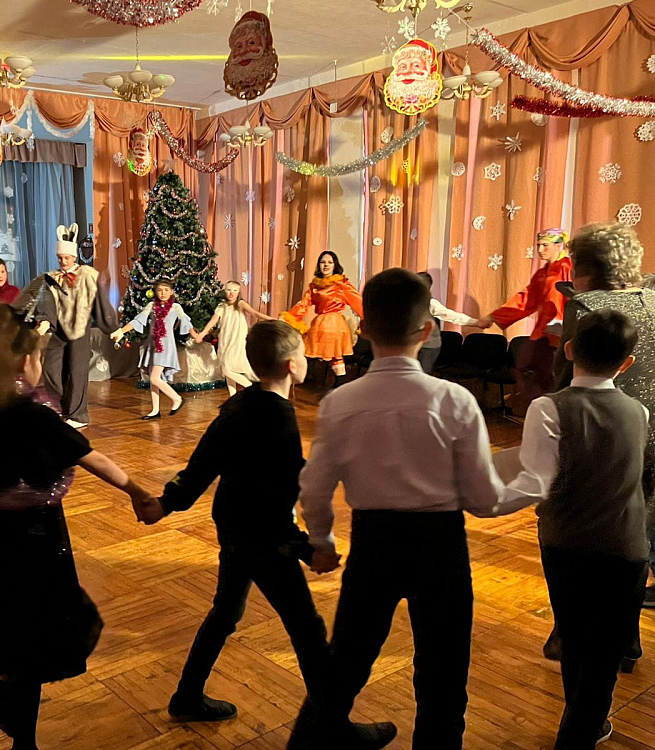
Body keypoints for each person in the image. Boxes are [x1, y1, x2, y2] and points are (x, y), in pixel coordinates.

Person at [0, 303, 158, 750]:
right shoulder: (30, 414)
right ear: (19, 359)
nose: (39, 364)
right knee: (57, 627)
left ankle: (18, 728)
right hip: (37, 538)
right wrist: (138, 493)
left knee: (16, 631)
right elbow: (90, 457)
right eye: (36, 354)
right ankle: (10, 715)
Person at [291, 268, 505, 750]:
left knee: (345, 663)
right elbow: (484, 499)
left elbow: (314, 488)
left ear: (364, 328)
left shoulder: (340, 402)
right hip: (441, 547)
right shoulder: (455, 400)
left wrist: (322, 541)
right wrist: (532, 484)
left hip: (375, 544)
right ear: (427, 329)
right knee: (444, 674)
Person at [152, 320, 395, 744]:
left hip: (233, 525)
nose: (306, 359)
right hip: (262, 536)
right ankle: (333, 729)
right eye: (302, 353)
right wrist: (307, 548)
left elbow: (202, 464)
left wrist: (166, 503)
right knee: (307, 628)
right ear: (290, 365)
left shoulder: (240, 403)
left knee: (226, 612)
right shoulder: (278, 416)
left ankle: (187, 695)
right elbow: (280, 494)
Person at [496, 309, 649, 748]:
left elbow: (536, 482)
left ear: (568, 350)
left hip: (565, 544)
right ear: (627, 363)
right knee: (606, 650)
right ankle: (586, 726)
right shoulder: (638, 411)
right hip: (626, 547)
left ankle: (578, 727)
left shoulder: (548, 407)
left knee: (574, 636)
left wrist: (483, 501)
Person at [549, 222, 655, 652]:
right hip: (648, 436)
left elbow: (566, 379)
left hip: (599, 437)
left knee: (580, 534)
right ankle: (626, 639)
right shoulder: (653, 297)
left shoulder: (587, 305)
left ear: (585, 268)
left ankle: (571, 634)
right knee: (635, 534)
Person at [478, 228, 572, 412]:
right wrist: (493, 316)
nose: (540, 250)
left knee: (554, 377)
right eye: (539, 245)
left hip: (560, 335)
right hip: (542, 333)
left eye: (545, 245)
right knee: (525, 366)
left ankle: (554, 415)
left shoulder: (567, 268)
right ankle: (541, 411)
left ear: (558, 245)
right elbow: (526, 299)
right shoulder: (542, 274)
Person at [36, 224, 118, 429]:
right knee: (52, 369)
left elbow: (99, 302)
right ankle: (62, 406)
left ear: (74, 257)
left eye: (67, 258)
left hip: (79, 330)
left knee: (76, 371)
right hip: (59, 331)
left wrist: (113, 327)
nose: (63, 262)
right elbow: (47, 301)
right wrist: (45, 320)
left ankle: (78, 415)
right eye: (60, 258)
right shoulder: (53, 278)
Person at [111, 279, 196, 420]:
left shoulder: (176, 308)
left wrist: (196, 335)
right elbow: (138, 320)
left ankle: (177, 398)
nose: (163, 293)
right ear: (155, 292)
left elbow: (186, 322)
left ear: (172, 292)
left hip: (165, 346)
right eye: (160, 290)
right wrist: (121, 331)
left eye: (166, 290)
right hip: (153, 345)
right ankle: (155, 410)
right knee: (153, 379)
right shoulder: (151, 306)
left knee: (154, 378)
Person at [281, 251, 363, 388]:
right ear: (319, 265)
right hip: (320, 324)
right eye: (323, 262)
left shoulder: (341, 284)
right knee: (308, 351)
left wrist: (368, 319)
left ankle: (339, 386)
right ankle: (296, 381)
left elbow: (358, 302)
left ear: (335, 265)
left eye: (330, 262)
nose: (326, 265)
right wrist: (289, 317)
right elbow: (304, 304)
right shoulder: (314, 286)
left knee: (336, 357)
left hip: (335, 325)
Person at [193, 280, 273, 395]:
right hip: (226, 339)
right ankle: (233, 397)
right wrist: (202, 333)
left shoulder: (240, 304)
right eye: (229, 290)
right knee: (226, 368)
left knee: (226, 369)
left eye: (235, 290)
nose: (231, 293)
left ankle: (253, 389)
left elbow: (255, 313)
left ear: (238, 292)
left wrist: (272, 319)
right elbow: (213, 321)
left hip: (237, 340)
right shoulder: (222, 306)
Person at [416, 272, 487, 375]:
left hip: (428, 347)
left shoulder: (430, 303)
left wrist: (476, 322)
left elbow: (452, 316)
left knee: (421, 375)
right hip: (410, 345)